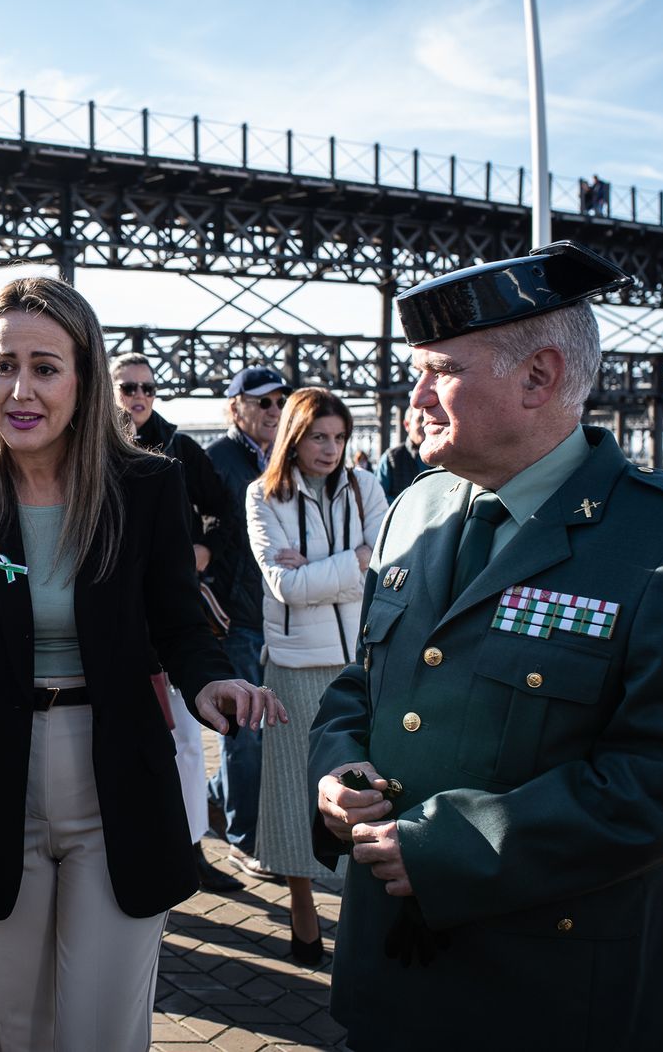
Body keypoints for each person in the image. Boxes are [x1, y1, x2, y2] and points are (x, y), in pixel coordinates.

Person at [309, 242, 663, 1050]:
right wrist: (336, 772)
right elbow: (363, 682)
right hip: (391, 976)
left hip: (551, 989)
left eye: (439, 370)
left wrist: (454, 850)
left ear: (539, 378)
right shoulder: (416, 507)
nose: (413, 397)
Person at [0, 276, 285, 1051]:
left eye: (45, 367)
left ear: (84, 376)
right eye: (2, 363)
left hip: (115, 778)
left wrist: (211, 680)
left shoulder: (146, 485)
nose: (21, 388)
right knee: (15, 1028)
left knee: (101, 1033)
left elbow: (180, 621)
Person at [245, 387, 386, 965]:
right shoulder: (262, 496)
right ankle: (304, 912)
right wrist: (353, 560)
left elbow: (388, 560)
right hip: (294, 664)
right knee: (291, 792)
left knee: (362, 791)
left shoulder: (367, 486)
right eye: (319, 437)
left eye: (340, 438)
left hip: (361, 659)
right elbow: (286, 587)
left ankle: (361, 918)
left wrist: (337, 566)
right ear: (294, 438)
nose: (331, 450)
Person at [110, 352, 243, 893]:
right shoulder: (86, 442)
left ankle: (191, 851)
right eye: (127, 388)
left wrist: (203, 551)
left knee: (189, 739)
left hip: (166, 612)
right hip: (112, 614)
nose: (138, 396)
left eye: (146, 388)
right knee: (115, 734)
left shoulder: (180, 448)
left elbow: (224, 512)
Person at [204, 364, 288, 880]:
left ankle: (214, 799)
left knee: (267, 728)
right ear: (236, 407)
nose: (274, 411)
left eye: (280, 402)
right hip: (234, 616)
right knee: (247, 730)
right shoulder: (215, 460)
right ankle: (244, 838)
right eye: (262, 402)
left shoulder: (285, 459)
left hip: (277, 611)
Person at [376, 406, 430, 501]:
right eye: (420, 419)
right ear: (406, 425)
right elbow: (379, 499)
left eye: (429, 420)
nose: (425, 424)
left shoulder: (444, 458)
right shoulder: (391, 458)